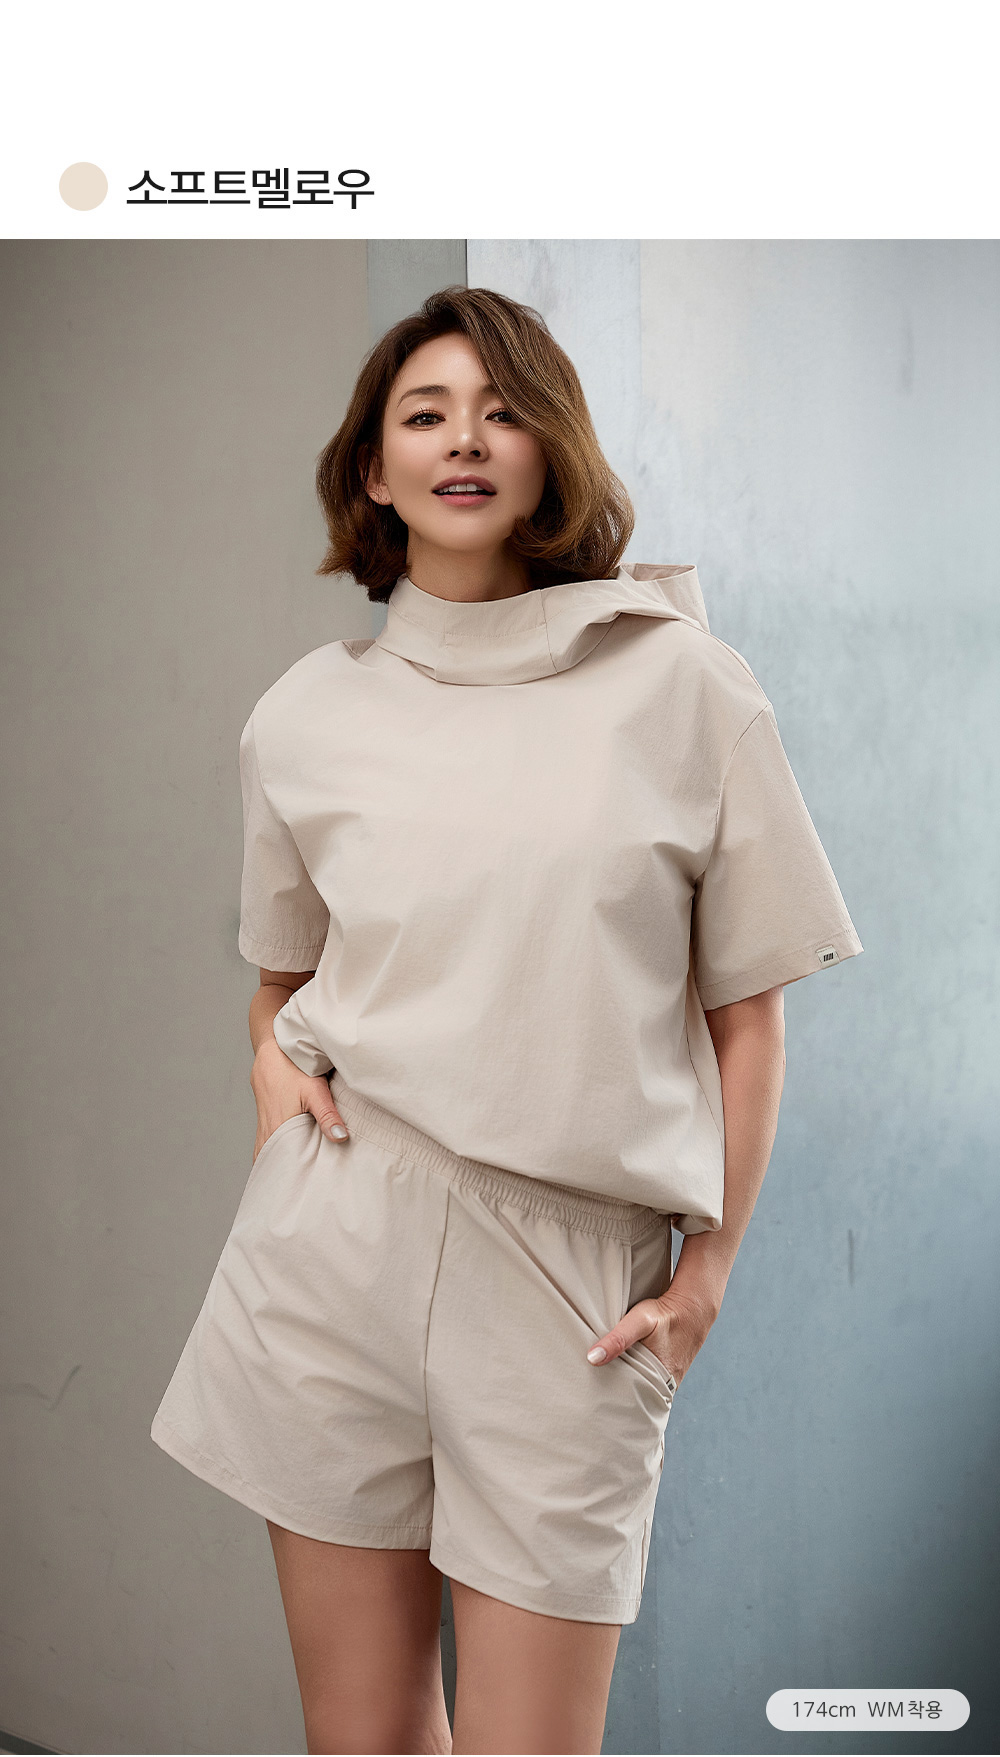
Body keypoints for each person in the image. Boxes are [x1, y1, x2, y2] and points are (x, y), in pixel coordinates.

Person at [150, 286, 863, 1755]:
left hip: (571, 1291)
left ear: (553, 453)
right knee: (361, 1739)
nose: (464, 441)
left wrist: (708, 1274)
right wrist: (272, 1076)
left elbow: (750, 1015)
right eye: (425, 415)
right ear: (373, 469)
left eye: (502, 411)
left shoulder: (683, 686)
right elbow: (281, 979)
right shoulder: (303, 716)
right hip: (335, 1250)